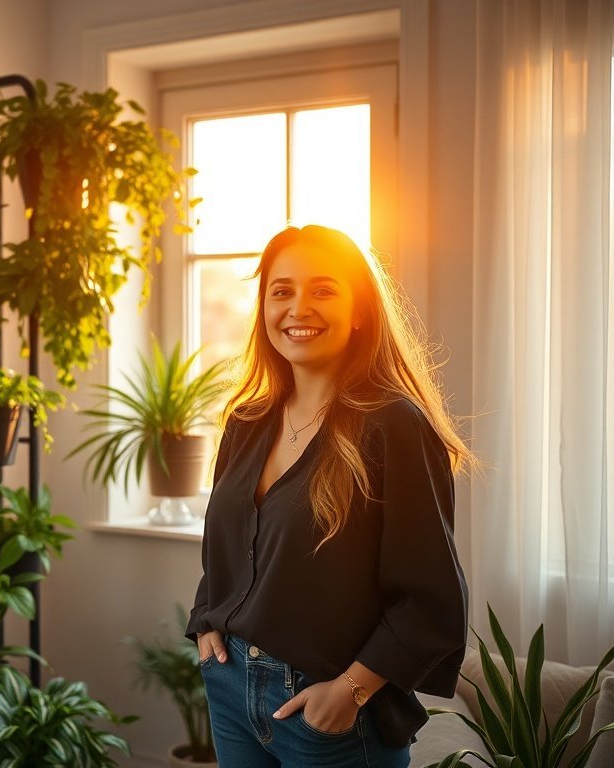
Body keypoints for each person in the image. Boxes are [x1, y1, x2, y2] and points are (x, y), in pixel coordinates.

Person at [186, 224, 473, 767]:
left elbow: (433, 597)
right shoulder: (247, 420)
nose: (299, 308)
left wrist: (350, 690)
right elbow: (225, 548)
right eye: (282, 290)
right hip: (230, 689)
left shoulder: (394, 425)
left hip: (331, 713)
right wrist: (206, 618)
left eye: (323, 290)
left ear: (359, 309)